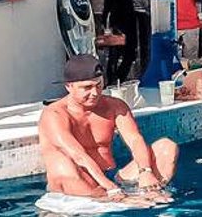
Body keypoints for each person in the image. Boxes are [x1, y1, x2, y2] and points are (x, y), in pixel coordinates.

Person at [37, 55, 176, 200]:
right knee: (62, 167)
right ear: (69, 86)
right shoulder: (54, 114)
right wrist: (110, 188)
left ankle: (151, 192)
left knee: (166, 147)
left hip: (111, 176)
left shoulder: (114, 106)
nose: (95, 93)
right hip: (81, 181)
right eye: (87, 88)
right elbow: (78, 156)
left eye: (98, 85)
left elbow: (135, 139)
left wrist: (145, 172)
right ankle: (127, 200)